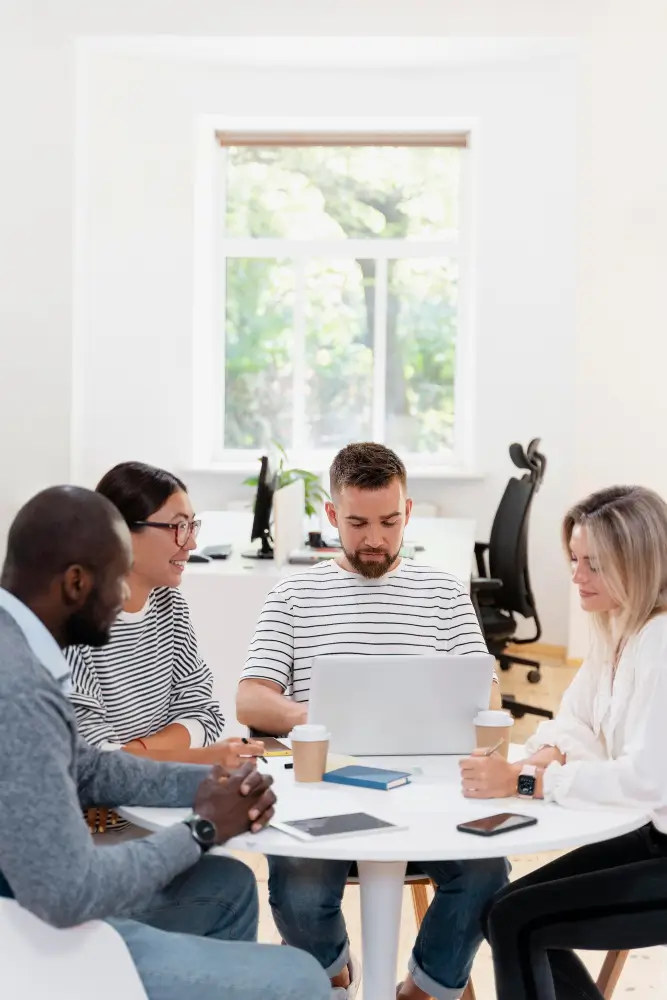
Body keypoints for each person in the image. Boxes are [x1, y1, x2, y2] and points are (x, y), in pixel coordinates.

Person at [0, 485, 329, 1000]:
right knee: (302, 978)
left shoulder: (18, 643)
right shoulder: (16, 687)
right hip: (24, 938)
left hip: (28, 899)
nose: (125, 599)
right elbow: (67, 893)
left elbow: (86, 768)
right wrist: (201, 828)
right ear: (76, 583)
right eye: (117, 579)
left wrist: (210, 783)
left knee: (227, 888)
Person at [237, 442, 508, 1000]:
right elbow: (250, 700)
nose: (375, 539)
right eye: (358, 523)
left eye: (389, 521)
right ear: (333, 516)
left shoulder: (443, 592)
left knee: (487, 874)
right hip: (328, 791)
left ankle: (426, 990)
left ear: (407, 512)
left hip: (431, 790)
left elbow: (488, 697)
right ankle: (334, 975)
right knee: (298, 887)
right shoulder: (295, 592)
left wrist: (485, 715)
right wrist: (314, 716)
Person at [459, 485, 667, 1000]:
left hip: (659, 840)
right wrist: (554, 749)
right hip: (652, 837)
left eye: (593, 564)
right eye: (575, 559)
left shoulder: (661, 644)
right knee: (506, 912)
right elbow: (572, 718)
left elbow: (645, 780)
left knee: (516, 921)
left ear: (637, 564)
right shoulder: (616, 627)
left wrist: (528, 779)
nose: (576, 576)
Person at [65, 462, 264, 773]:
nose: (192, 543)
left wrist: (137, 752)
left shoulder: (169, 605)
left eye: (191, 526)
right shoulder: (73, 623)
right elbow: (95, 761)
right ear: (120, 532)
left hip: (161, 798)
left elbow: (205, 713)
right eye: (178, 527)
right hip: (97, 818)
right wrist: (203, 757)